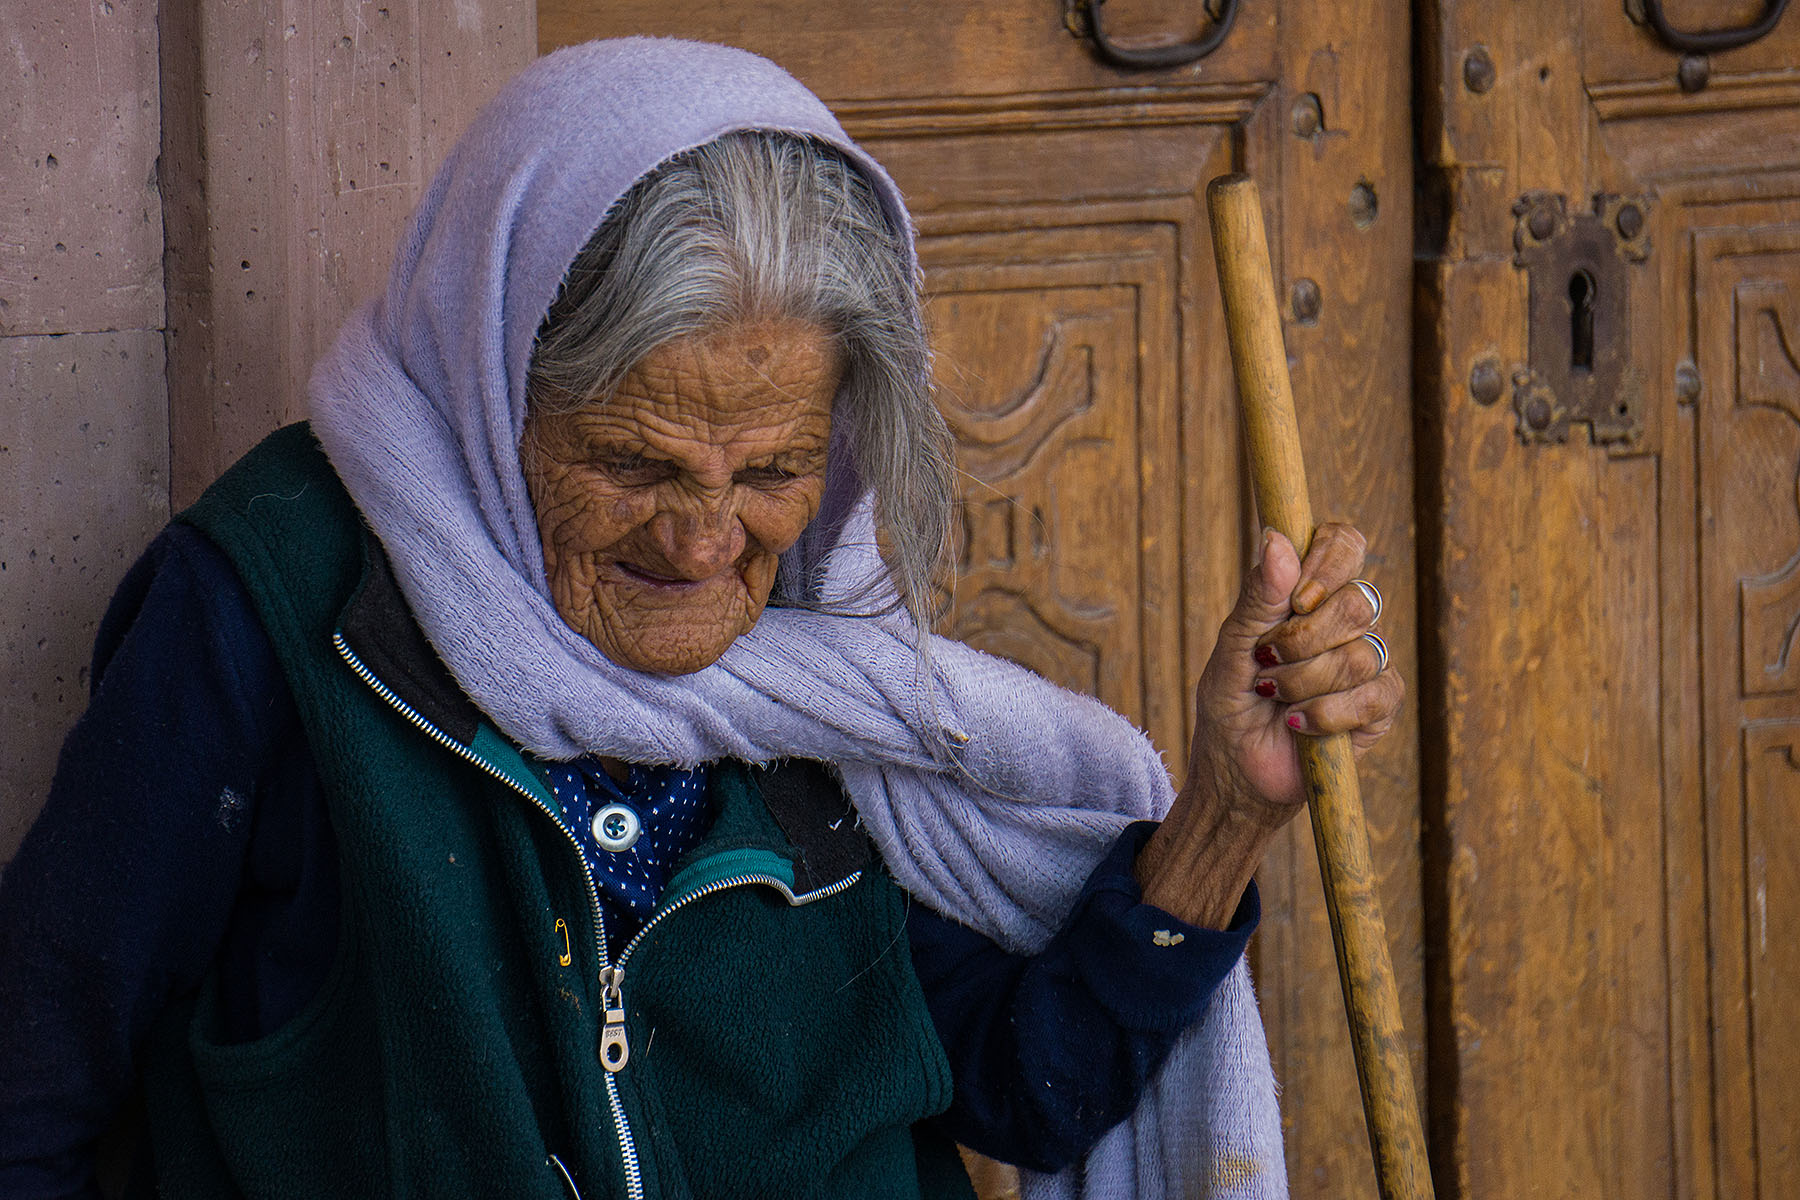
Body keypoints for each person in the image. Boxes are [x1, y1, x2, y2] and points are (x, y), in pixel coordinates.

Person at [0, 38, 1402, 1200]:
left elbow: (1019, 1088)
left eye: (775, 471)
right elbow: (35, 1080)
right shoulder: (272, 607)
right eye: (634, 464)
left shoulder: (831, 663)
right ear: (496, 385)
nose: (705, 541)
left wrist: (1222, 815)